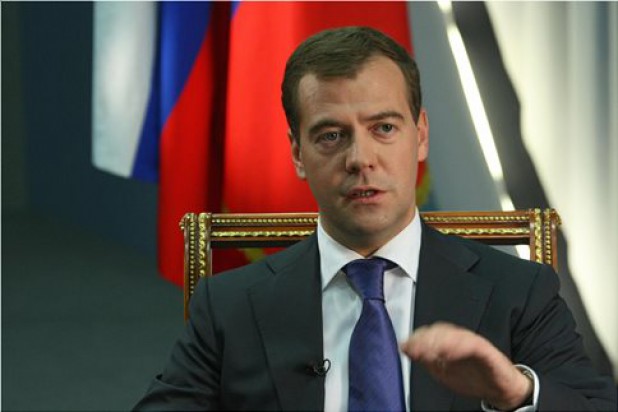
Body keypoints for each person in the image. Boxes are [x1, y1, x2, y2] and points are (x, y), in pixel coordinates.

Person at [135, 27, 616, 411]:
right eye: (330, 135)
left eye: (383, 128)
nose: (360, 159)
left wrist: (515, 391)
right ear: (297, 153)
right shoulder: (231, 305)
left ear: (420, 136)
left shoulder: (519, 291)